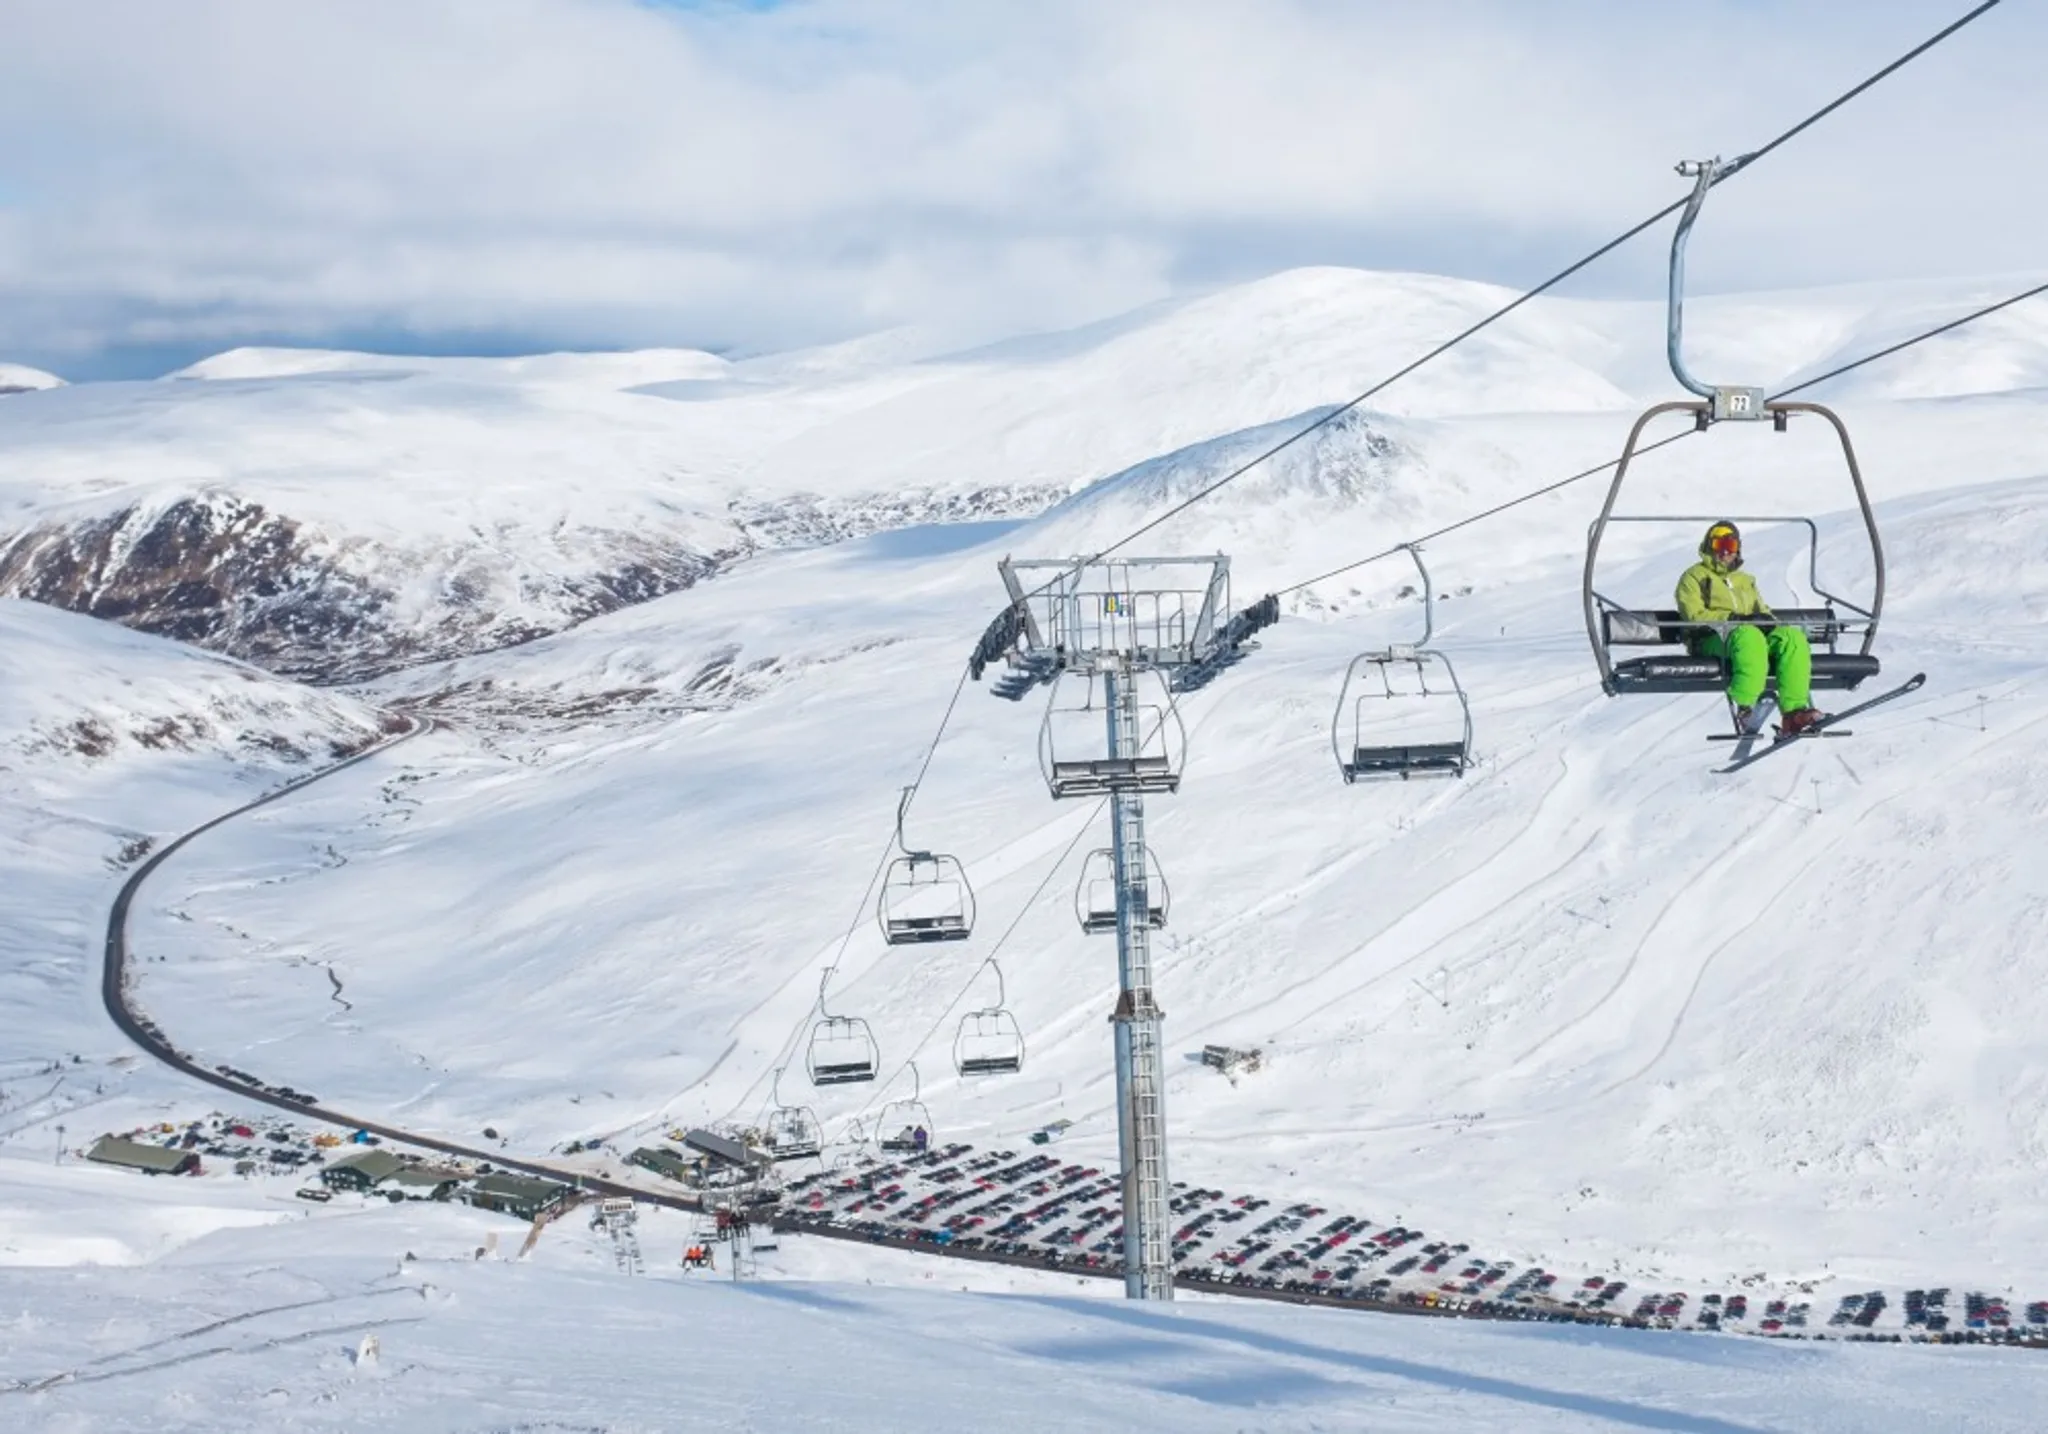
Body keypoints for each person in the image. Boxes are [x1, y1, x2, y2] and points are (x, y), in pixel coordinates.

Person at [1675, 521, 1826, 736]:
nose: (1726, 551)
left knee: (1792, 638)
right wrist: (1733, 618)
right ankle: (1746, 707)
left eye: (1731, 545)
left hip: (1746, 636)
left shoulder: (1745, 580)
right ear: (1709, 546)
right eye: (1719, 544)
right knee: (1749, 635)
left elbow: (1762, 609)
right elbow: (1693, 615)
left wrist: (1767, 621)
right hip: (1711, 637)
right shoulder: (1694, 577)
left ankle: (1794, 713)